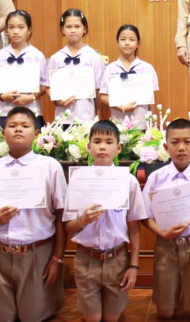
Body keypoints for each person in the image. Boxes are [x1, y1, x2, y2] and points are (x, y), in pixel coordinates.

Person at [0, 107, 67, 322]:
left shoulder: (50, 167)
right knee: (2, 317)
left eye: (25, 126)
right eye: (12, 126)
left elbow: (61, 216)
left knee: (32, 316)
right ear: (3, 132)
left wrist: (57, 258)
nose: (18, 130)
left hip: (36, 253)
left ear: (36, 133)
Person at [63, 120, 146, 322]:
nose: (102, 146)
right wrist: (82, 220)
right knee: (92, 318)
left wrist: (134, 266)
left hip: (117, 259)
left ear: (118, 148)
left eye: (108, 142)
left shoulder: (129, 181)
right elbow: (68, 227)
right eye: (97, 141)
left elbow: (134, 227)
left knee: (111, 318)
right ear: (88, 147)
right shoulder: (77, 180)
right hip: (86, 259)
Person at [140, 118, 190, 319]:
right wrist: (162, 232)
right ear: (166, 147)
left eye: (187, 142)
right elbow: (144, 216)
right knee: (165, 313)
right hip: (166, 245)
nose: (181, 147)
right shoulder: (156, 178)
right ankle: (170, 298)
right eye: (174, 143)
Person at [0, 10, 48, 129]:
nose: (16, 31)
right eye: (11, 27)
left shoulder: (37, 55)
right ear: (6, 30)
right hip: (5, 112)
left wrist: (31, 97)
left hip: (31, 110)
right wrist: (2, 95)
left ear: (29, 30)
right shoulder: (0, 55)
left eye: (21, 27)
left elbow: (44, 84)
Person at [47, 8, 105, 124]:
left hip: (86, 118)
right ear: (62, 30)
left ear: (85, 29)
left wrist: (98, 115)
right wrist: (57, 101)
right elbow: (48, 86)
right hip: (62, 118)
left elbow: (98, 90)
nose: (73, 30)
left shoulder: (94, 57)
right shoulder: (56, 58)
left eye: (77, 26)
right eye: (69, 27)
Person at [100, 25, 159, 128]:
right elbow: (103, 96)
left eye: (132, 40)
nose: (127, 43)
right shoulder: (111, 68)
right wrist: (120, 107)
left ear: (138, 43)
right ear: (117, 42)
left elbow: (151, 100)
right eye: (123, 39)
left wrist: (152, 123)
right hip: (118, 124)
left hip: (141, 124)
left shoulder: (147, 68)